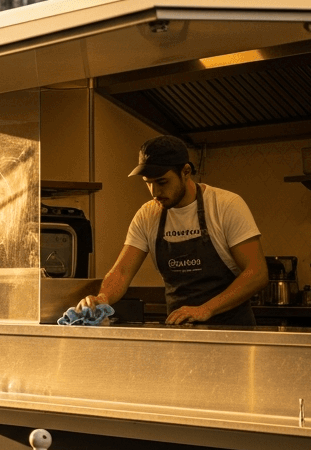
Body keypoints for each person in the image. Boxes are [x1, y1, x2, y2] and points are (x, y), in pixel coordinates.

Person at [78, 135, 267, 326]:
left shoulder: (225, 206)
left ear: (186, 172)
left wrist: (206, 309)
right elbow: (122, 272)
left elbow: (257, 273)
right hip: (180, 331)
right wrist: (103, 297)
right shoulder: (147, 215)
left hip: (233, 332)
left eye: (162, 182)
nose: (154, 192)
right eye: (148, 182)